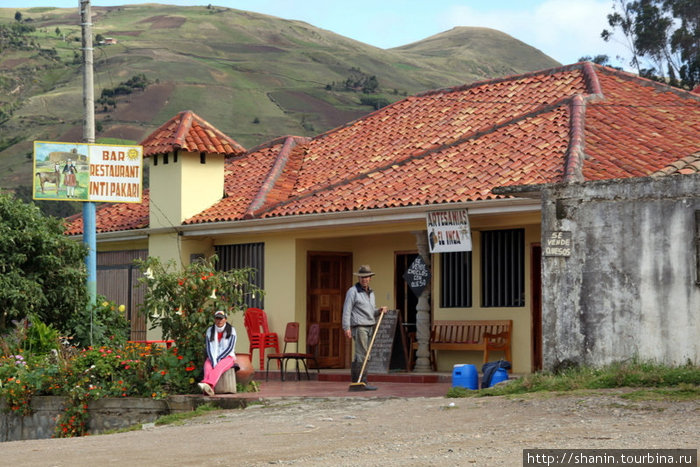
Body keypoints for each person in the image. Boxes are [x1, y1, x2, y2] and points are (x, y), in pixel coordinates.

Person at [342, 265, 387, 391]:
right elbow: (347, 310)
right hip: (359, 326)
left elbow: (371, 311)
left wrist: (379, 310)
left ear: (370, 278)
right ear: (358, 278)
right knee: (362, 354)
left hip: (370, 325)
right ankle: (360, 382)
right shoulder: (352, 291)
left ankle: (359, 382)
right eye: (362, 277)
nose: (364, 279)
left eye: (366, 277)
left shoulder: (371, 293)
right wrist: (346, 327)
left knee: (365, 354)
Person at [198, 310, 238, 396]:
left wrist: (219, 358)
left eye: (221, 319)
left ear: (225, 319)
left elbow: (230, 347)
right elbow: (208, 347)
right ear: (214, 319)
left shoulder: (231, 330)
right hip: (212, 355)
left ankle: (207, 384)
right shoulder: (210, 330)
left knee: (219, 367)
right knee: (207, 366)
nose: (219, 321)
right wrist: (213, 359)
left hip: (228, 356)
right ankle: (209, 390)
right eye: (217, 318)